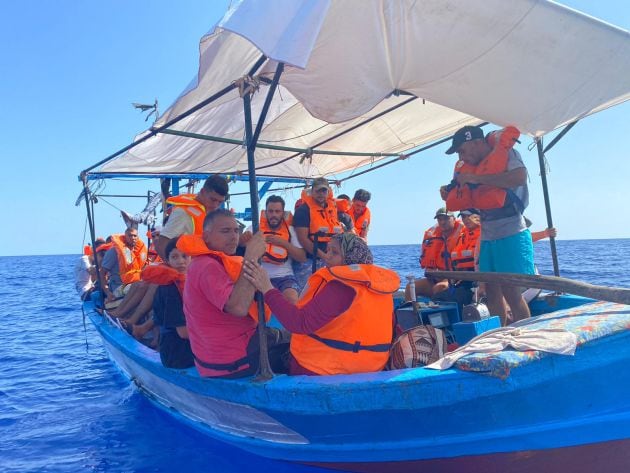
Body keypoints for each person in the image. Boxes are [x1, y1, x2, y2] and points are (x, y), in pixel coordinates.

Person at [243, 232, 399, 376]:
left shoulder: (341, 286)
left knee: (261, 355)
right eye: (328, 250)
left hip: (323, 369)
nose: (327, 257)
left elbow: (298, 323)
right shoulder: (381, 287)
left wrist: (267, 288)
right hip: (373, 367)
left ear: (351, 258)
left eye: (335, 253)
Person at [440, 125, 534, 325]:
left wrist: (476, 178)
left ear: (475, 142)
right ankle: (500, 336)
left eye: (462, 151)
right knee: (491, 290)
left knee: (511, 291)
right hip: (488, 234)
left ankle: (527, 338)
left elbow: (519, 177)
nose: (461, 157)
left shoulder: (508, 153)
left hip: (511, 231)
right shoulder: (466, 167)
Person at [180, 208, 290, 379]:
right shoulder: (206, 266)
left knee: (292, 334)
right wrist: (251, 255)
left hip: (222, 353)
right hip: (232, 362)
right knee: (304, 342)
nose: (233, 237)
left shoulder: (212, 261)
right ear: (206, 236)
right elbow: (238, 308)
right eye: (225, 231)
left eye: (236, 231)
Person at [240, 195, 306, 303]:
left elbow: (302, 257)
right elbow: (241, 252)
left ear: (282, 213)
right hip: (257, 276)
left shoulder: (290, 230)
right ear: (265, 212)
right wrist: (242, 243)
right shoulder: (253, 228)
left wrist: (284, 243)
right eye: (270, 211)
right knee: (245, 303)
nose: (273, 215)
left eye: (277, 211)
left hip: (284, 278)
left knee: (293, 300)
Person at [141, 237, 194, 369]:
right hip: (178, 354)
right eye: (174, 257)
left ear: (191, 258)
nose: (180, 261)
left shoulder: (191, 282)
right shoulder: (170, 289)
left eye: (184, 256)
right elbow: (183, 332)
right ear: (168, 261)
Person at [156, 174, 229, 260]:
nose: (215, 205)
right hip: (189, 270)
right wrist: (178, 270)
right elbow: (162, 243)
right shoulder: (183, 213)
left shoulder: (208, 213)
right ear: (202, 192)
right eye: (213, 200)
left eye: (220, 202)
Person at [293, 178, 343, 290]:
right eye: (317, 191)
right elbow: (303, 239)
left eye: (323, 191)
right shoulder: (303, 211)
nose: (321, 194)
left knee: (326, 292)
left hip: (328, 260)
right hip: (309, 262)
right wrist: (324, 256)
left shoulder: (332, 209)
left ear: (328, 192)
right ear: (312, 191)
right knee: (306, 293)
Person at [405, 207, 463, 300]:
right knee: (410, 287)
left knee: (439, 287)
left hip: (454, 279)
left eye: (446, 219)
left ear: (454, 219)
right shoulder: (433, 236)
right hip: (434, 279)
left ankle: (437, 312)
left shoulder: (462, 236)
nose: (443, 222)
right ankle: (413, 313)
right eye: (440, 219)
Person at [433, 208, 482, 311]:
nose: (466, 219)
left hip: (478, 282)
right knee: (439, 297)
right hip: (462, 281)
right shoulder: (463, 236)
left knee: (453, 298)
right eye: (463, 217)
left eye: (469, 216)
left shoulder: (485, 234)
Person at [100, 225, 148, 306]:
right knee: (141, 287)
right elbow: (102, 273)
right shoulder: (113, 252)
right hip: (119, 287)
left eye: (135, 236)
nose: (133, 238)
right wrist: (107, 292)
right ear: (125, 237)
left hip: (136, 283)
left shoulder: (139, 252)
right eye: (130, 235)